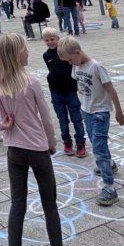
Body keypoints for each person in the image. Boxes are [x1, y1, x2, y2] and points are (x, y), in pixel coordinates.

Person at [0, 34, 62, 246]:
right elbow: (46, 118)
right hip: (37, 148)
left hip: (14, 150)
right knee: (50, 203)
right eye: (24, 49)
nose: (28, 52)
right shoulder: (31, 82)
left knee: (17, 203)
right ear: (15, 55)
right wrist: (51, 142)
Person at [57, 36, 124, 206]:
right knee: (97, 143)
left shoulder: (96, 67)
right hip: (86, 111)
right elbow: (80, 86)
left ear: (77, 52)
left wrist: (119, 112)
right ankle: (110, 164)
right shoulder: (76, 66)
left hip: (100, 113)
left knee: (98, 148)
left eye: (70, 60)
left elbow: (111, 89)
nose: (70, 63)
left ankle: (110, 188)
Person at [41, 28, 85, 157]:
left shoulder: (66, 52)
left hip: (71, 90)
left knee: (77, 118)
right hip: (56, 92)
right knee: (62, 119)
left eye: (52, 39)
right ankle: (67, 142)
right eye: (47, 40)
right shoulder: (46, 55)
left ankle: (80, 143)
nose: (50, 42)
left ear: (58, 39)